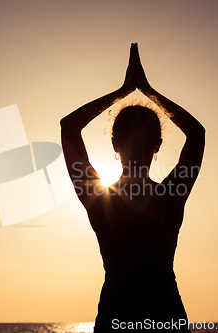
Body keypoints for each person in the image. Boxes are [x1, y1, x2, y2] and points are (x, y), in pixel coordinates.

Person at [60, 43, 205, 332]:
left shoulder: (97, 200)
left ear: (114, 144)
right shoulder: (171, 196)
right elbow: (197, 134)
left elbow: (69, 127)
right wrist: (147, 91)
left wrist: (123, 91)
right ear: (158, 145)